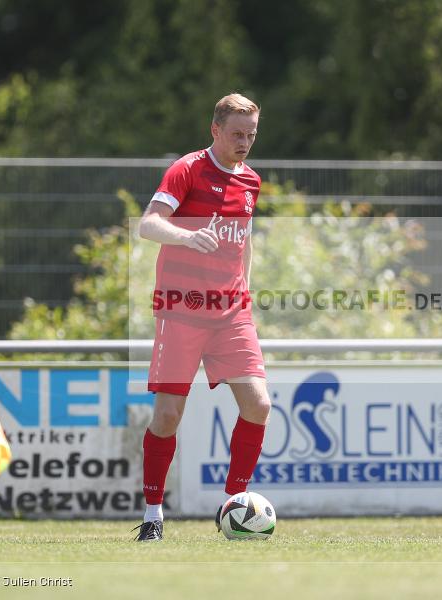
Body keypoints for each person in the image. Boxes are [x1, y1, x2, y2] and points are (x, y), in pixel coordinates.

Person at [134, 94, 270, 542]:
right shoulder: (187, 169)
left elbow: (243, 239)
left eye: (251, 134)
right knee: (169, 414)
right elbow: (149, 224)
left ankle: (236, 505)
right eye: (237, 134)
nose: (245, 142)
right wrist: (188, 237)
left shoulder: (251, 180)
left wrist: (246, 289)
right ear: (215, 130)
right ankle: (153, 514)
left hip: (231, 312)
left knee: (258, 404)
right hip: (182, 309)